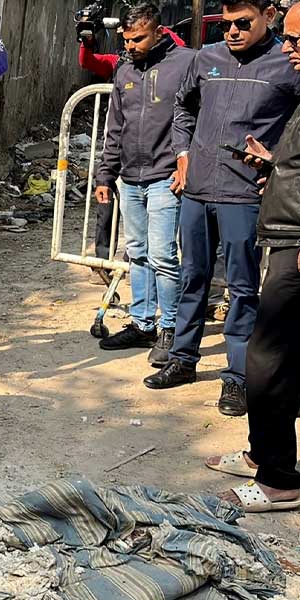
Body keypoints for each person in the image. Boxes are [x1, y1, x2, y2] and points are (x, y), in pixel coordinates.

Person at [144, 0, 300, 416]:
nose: (231, 31)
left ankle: (237, 378)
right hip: (197, 191)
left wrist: (279, 159)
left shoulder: (286, 64)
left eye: (242, 23)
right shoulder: (206, 57)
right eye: (225, 24)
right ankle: (182, 358)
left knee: (242, 287)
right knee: (192, 276)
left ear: (268, 15)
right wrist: (182, 153)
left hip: (245, 195)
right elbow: (183, 107)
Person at [205, 4, 300, 512]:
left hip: (297, 246)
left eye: (297, 41)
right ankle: (265, 454)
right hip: (286, 234)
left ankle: (279, 479)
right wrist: (275, 164)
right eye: (287, 39)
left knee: (266, 361)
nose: (288, 50)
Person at [94, 3, 195, 364]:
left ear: (158, 31)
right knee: (137, 251)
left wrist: (188, 163)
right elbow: (114, 127)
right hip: (131, 179)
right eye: (126, 39)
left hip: (166, 177)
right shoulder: (124, 68)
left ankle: (170, 328)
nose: (131, 45)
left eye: (138, 39)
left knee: (163, 256)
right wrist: (105, 174)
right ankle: (143, 323)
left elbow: (201, 115)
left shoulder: (186, 63)